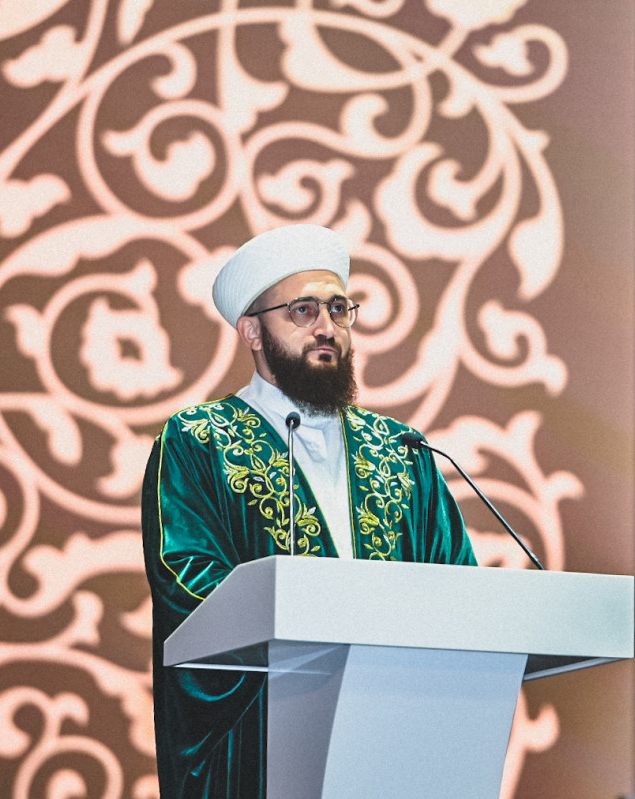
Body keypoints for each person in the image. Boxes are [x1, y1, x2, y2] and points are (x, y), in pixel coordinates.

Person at [140, 223, 477, 798]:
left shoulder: (401, 449)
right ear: (252, 330)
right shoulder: (199, 440)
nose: (327, 327)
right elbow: (187, 582)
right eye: (303, 310)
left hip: (393, 727)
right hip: (261, 735)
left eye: (339, 309)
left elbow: (457, 583)